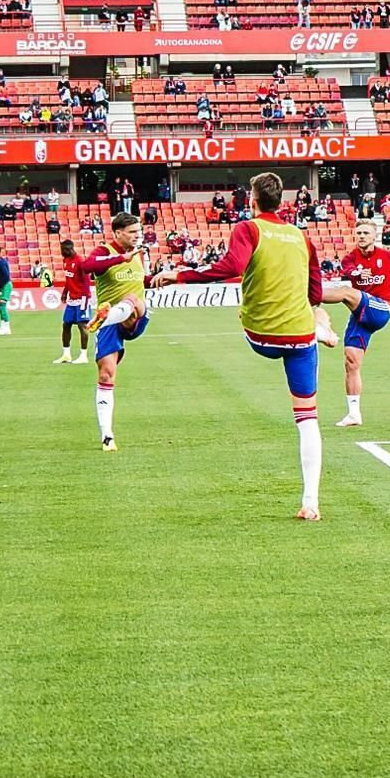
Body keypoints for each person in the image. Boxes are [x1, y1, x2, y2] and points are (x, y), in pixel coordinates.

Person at [152, 172, 325, 520]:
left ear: (252, 200)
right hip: (300, 335)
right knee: (308, 419)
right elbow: (316, 293)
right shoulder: (301, 237)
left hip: (262, 335)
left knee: (251, 315)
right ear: (283, 202)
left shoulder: (248, 228)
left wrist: (180, 274)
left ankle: (318, 327)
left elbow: (232, 266)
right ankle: (311, 502)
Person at [322, 220, 390, 428]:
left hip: (381, 308)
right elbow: (349, 269)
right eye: (359, 232)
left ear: (374, 236)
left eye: (366, 233)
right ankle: (354, 414)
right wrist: (355, 274)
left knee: (345, 292)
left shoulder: (388, 257)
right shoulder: (350, 257)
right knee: (351, 362)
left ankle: (305, 297)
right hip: (361, 315)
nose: (361, 236)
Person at [72, 214, 152, 452]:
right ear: (117, 233)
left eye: (138, 231)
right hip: (109, 326)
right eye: (132, 232)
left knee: (131, 298)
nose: (137, 235)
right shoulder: (103, 250)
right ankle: (107, 436)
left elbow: (140, 280)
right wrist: (119, 258)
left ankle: (109, 314)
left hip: (135, 315)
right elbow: (86, 267)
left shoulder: (139, 253)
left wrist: (157, 279)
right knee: (106, 376)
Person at [53, 239, 92, 363]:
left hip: (82, 298)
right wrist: (65, 292)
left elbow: (86, 282)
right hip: (72, 299)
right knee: (66, 325)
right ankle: (66, 354)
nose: (61, 253)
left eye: (62, 250)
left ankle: (83, 355)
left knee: (82, 326)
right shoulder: (66, 260)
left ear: (68, 249)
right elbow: (69, 279)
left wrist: (85, 300)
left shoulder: (80, 262)